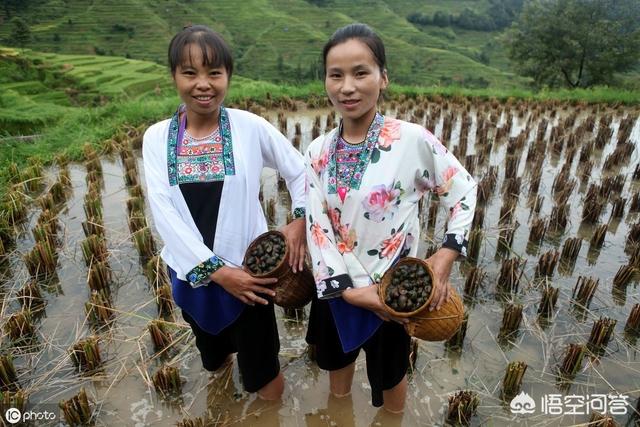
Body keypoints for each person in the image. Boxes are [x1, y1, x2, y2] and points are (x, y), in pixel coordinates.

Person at [304, 23, 477, 413]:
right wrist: (346, 290)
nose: (347, 86)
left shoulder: (410, 140)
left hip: (393, 294)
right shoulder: (317, 150)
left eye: (360, 72)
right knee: (338, 380)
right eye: (336, 75)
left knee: (392, 382)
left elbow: (463, 190)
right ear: (326, 82)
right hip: (338, 290)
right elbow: (318, 226)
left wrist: (446, 256)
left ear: (383, 78)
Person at [142, 25, 306, 401]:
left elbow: (300, 172)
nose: (203, 84)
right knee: (214, 358)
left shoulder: (249, 127)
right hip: (194, 276)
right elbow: (164, 212)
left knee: (264, 372)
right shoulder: (156, 138)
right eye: (190, 73)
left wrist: (297, 221)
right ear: (174, 77)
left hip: (252, 280)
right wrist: (217, 272)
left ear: (228, 76)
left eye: (214, 73)